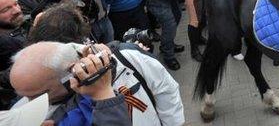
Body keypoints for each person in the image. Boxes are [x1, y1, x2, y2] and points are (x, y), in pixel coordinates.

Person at [10, 41, 185, 125]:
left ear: (71, 73)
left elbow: (165, 90)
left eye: (38, 94)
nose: (28, 102)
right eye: (23, 95)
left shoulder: (127, 59)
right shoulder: (27, 118)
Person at [0, 0, 26, 110]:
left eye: (16, 4)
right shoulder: (7, 41)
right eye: (6, 10)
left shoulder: (12, 28)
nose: (16, 10)